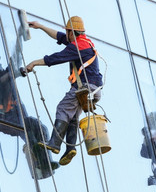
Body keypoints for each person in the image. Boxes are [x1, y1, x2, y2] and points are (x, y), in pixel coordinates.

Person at [25, 16, 103, 166]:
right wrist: (40, 26)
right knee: (72, 116)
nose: (65, 34)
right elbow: (60, 36)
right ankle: (70, 149)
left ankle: (54, 143)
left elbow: (56, 58)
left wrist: (34, 63)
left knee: (63, 108)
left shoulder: (78, 47)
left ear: (72, 32)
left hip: (85, 87)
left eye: (67, 32)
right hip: (93, 89)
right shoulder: (85, 42)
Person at [0, 55, 59, 177]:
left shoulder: (2, 76)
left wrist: (18, 42)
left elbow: (12, 69)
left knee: (41, 129)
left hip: (18, 118)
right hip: (7, 121)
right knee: (29, 128)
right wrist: (11, 75)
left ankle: (45, 162)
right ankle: (39, 162)